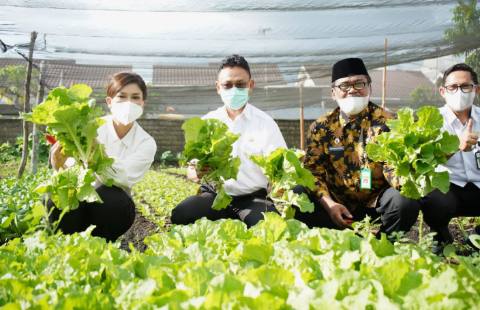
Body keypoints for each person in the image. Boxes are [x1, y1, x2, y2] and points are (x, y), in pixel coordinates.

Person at [294, 57, 421, 235]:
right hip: (336, 203)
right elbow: (313, 171)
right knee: (298, 194)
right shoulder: (322, 127)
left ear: (369, 87)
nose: (352, 90)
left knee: (404, 202)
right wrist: (330, 205)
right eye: (344, 86)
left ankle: (383, 243)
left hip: (376, 202)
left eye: (359, 84)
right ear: (333, 92)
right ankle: (330, 238)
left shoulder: (390, 122)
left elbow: (394, 167)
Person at [171, 54, 287, 227]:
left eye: (240, 84)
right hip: (213, 196)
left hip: (252, 199)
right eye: (227, 85)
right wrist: (197, 172)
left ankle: (241, 219)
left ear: (251, 85)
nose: (234, 90)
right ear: (218, 87)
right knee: (182, 215)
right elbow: (191, 170)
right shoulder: (208, 122)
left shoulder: (266, 123)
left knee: (268, 228)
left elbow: (281, 168)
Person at [49, 72, 157, 241]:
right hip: (79, 202)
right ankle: (67, 240)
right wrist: (59, 166)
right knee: (54, 196)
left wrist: (96, 154)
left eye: (135, 97)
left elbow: (123, 177)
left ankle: (102, 241)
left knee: (108, 195)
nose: (129, 103)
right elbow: (71, 168)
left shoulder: (146, 142)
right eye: (122, 97)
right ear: (109, 102)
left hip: (112, 209)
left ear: (142, 103)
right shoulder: (89, 127)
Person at [421, 63, 480, 248]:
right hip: (448, 188)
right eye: (453, 87)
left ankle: (476, 241)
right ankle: (441, 238)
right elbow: (424, 161)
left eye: (465, 86)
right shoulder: (431, 121)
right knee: (434, 198)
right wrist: (456, 146)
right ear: (442, 91)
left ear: (476, 89)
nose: (459, 91)